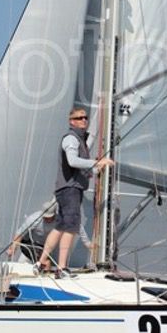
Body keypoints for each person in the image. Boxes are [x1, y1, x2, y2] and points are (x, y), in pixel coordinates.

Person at [37, 107, 113, 277]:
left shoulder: (80, 140)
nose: (84, 120)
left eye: (85, 117)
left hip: (68, 188)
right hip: (70, 189)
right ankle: (62, 268)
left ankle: (41, 262)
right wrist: (96, 162)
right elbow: (72, 161)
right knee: (71, 227)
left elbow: (79, 166)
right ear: (71, 121)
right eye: (79, 118)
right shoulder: (71, 138)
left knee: (61, 226)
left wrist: (95, 170)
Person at [8, 200, 91, 265]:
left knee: (46, 264)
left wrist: (87, 242)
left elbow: (77, 226)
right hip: (32, 245)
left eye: (50, 217)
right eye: (45, 217)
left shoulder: (60, 219)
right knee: (21, 265)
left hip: (48, 248)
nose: (48, 219)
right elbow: (20, 233)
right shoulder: (33, 219)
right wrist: (13, 248)